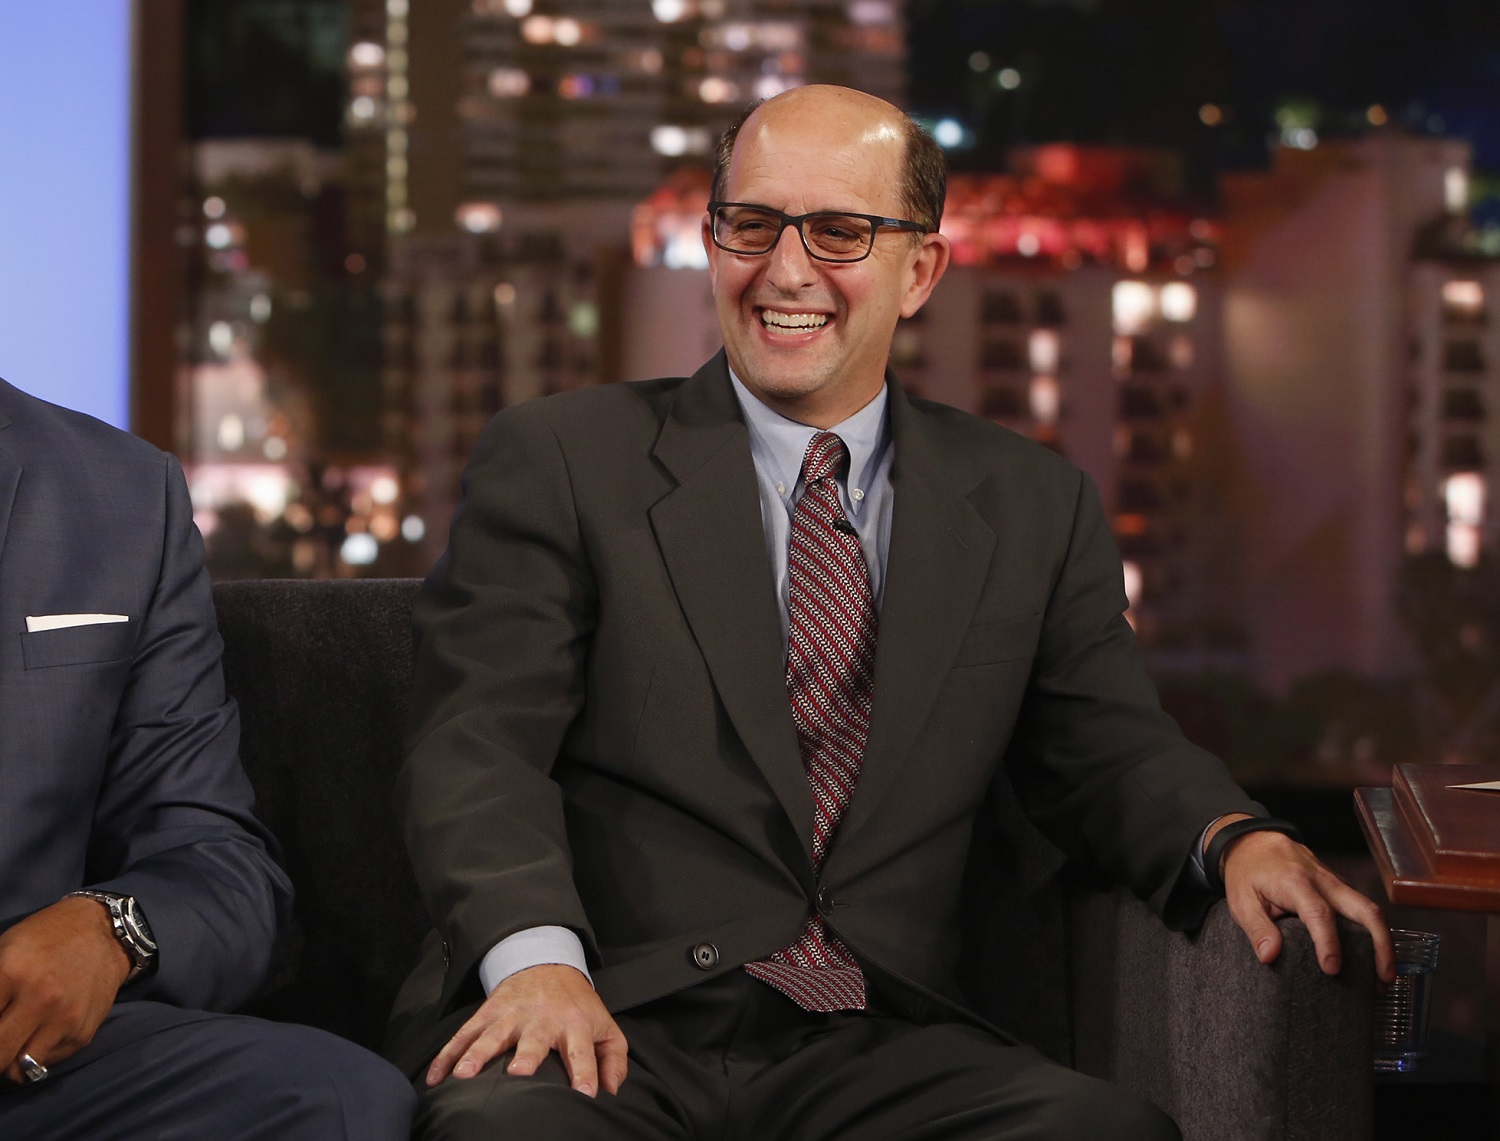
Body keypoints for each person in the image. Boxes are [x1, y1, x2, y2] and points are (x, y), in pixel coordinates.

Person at [390, 85, 1395, 1139]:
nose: (786, 269)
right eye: (753, 225)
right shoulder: (562, 457)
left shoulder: (1032, 505)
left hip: (878, 1038)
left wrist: (1233, 838)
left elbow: (1104, 749)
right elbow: (476, 743)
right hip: (603, 1019)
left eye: (839, 231)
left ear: (920, 271)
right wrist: (537, 962)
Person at [0, 377, 416, 1139]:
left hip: (20, 1054)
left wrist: (109, 931)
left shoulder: (123, 494)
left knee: (338, 1098)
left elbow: (215, 861)